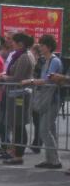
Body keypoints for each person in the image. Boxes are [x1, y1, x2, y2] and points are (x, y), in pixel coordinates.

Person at [0, 32, 35, 165]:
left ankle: (18, 155)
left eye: (13, 41)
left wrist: (4, 77)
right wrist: (5, 75)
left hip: (20, 95)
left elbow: (18, 78)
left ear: (20, 44)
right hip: (16, 94)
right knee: (16, 125)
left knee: (19, 125)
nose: (11, 43)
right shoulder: (20, 55)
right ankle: (15, 153)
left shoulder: (24, 57)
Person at [26, 34, 63, 169]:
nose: (40, 48)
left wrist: (30, 81)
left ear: (48, 46)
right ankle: (50, 159)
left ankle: (54, 160)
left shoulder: (54, 61)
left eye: (42, 45)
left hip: (51, 100)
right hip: (47, 99)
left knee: (44, 130)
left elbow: (48, 80)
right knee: (49, 130)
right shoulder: (46, 61)